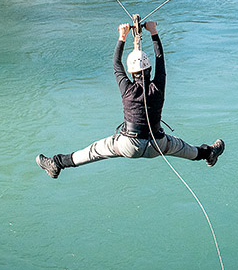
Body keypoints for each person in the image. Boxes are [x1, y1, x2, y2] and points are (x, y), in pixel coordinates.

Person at [36, 20, 224, 178]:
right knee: (182, 147)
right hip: (157, 144)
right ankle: (209, 154)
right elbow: (160, 59)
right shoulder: (158, 86)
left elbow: (116, 64)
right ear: (149, 70)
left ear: (131, 73)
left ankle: (57, 163)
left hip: (128, 144)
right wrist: (154, 32)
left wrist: (122, 36)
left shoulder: (127, 89)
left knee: (93, 152)